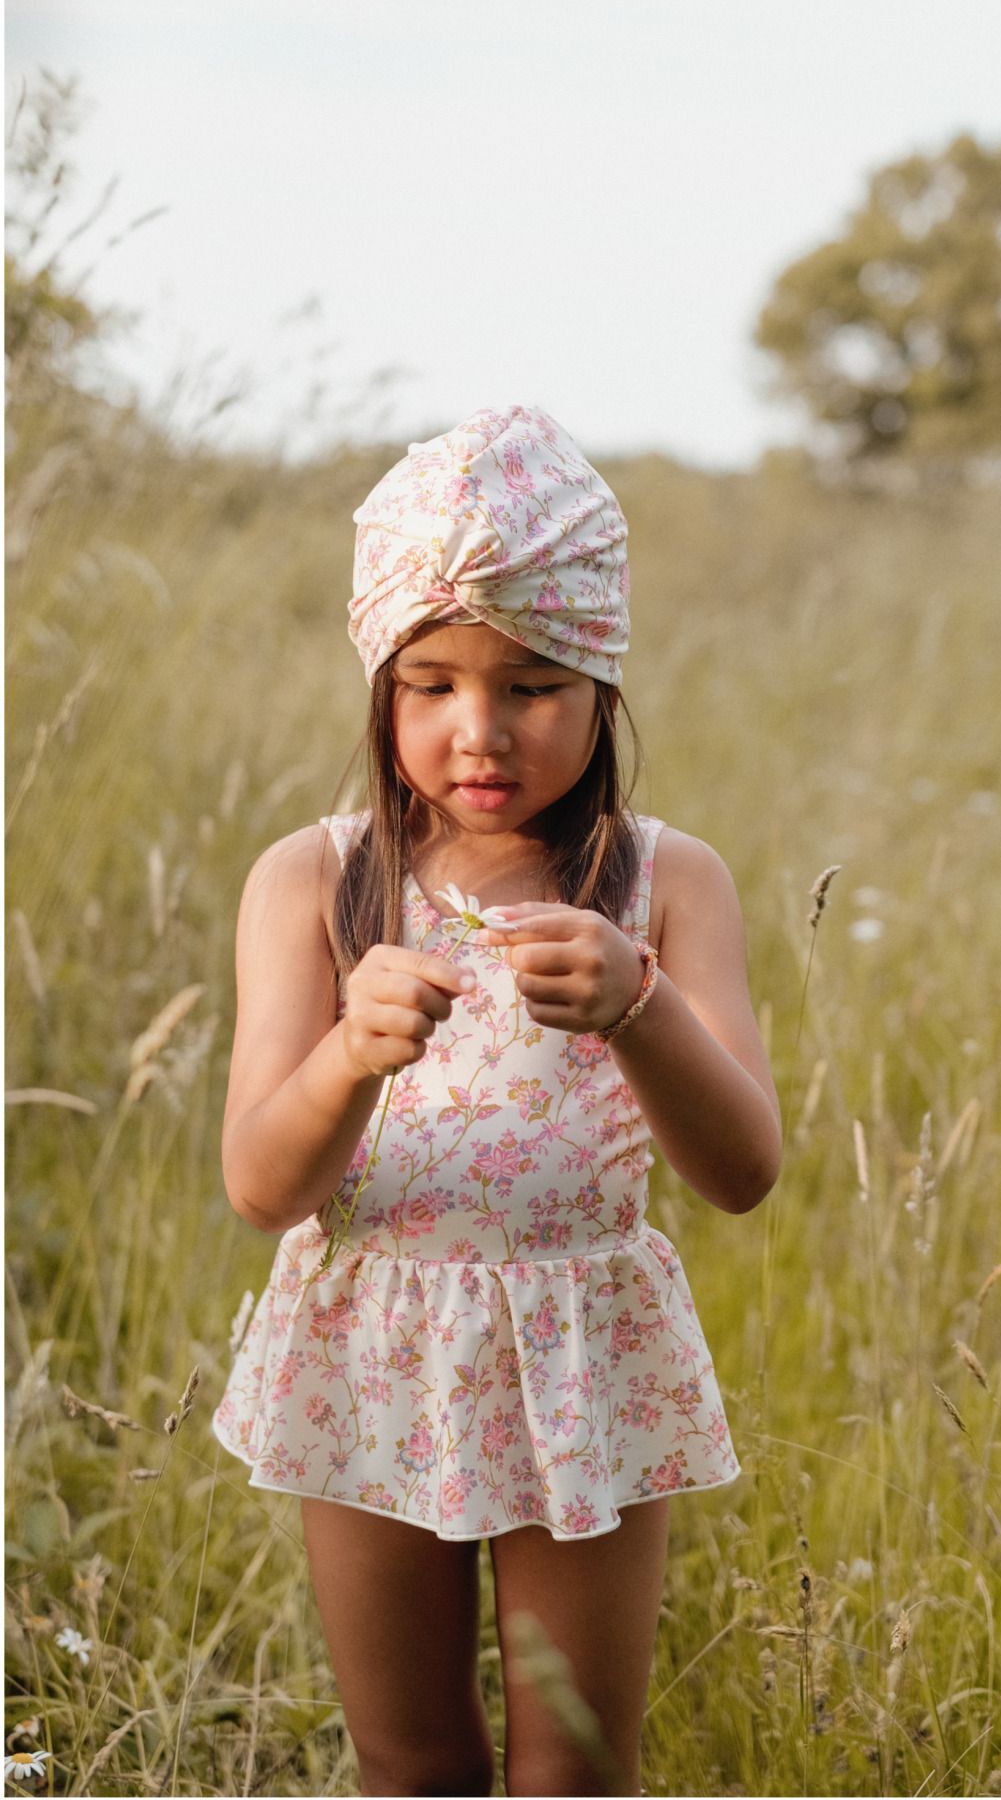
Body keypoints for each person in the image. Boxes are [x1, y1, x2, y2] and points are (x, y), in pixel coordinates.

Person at [211, 404, 781, 1799]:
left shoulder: (666, 884)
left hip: (584, 1344)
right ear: (382, 688)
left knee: (574, 1768)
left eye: (532, 682)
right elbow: (261, 1185)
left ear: (602, 682)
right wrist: (349, 1054)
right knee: (409, 1760)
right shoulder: (316, 882)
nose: (482, 728)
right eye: (432, 684)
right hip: (373, 1345)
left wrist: (641, 1006)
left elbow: (744, 1168)